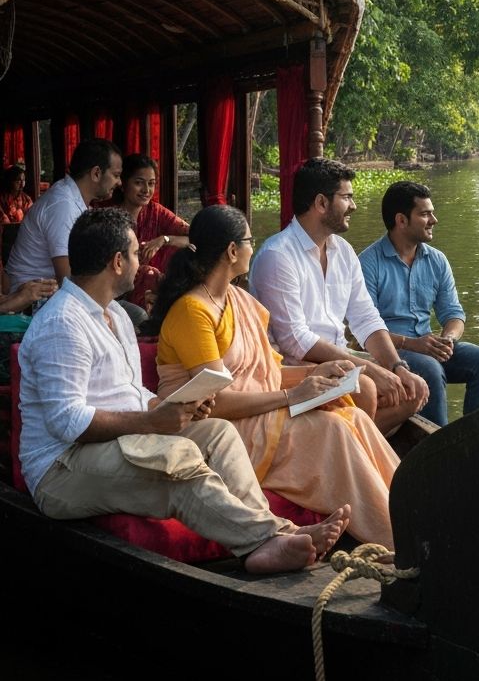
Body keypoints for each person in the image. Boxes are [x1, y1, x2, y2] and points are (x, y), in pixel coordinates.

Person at [17, 208, 350, 575]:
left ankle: (274, 534)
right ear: (117, 262)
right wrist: (153, 422)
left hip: (116, 441)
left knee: (218, 433)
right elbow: (68, 422)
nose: (140, 262)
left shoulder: (116, 316)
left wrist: (174, 407)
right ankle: (264, 540)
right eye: (135, 253)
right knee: (176, 458)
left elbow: (130, 393)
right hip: (62, 468)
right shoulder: (63, 323)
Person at [146, 204, 400, 548]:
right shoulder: (193, 311)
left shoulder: (238, 299)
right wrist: (293, 396)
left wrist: (315, 373)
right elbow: (215, 401)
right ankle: (394, 539)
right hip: (220, 428)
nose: (253, 248)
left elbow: (265, 372)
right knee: (332, 429)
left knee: (352, 416)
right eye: (250, 241)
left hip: (257, 414)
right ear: (232, 251)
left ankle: (410, 510)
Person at [248, 158, 429, 438]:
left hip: (338, 358)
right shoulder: (278, 256)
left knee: (413, 390)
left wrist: (397, 367)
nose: (353, 206)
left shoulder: (343, 251)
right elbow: (295, 340)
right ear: (321, 203)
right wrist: (369, 369)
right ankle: (351, 443)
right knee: (367, 387)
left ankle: (349, 439)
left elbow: (366, 318)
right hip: (295, 366)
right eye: (346, 197)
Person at [359, 180, 479, 426]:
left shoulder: (437, 260)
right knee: (430, 369)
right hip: (389, 351)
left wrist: (448, 339)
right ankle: (439, 443)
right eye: (425, 214)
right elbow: (362, 330)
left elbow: (453, 314)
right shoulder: (368, 263)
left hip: (427, 345)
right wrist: (412, 344)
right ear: (401, 220)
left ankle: (477, 440)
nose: (434, 220)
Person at [5, 138, 122, 290]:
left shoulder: (74, 199)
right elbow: (68, 281)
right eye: (116, 175)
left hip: (52, 292)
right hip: (30, 297)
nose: (119, 182)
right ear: (96, 174)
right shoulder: (63, 206)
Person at [113, 153, 189, 310]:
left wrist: (165, 239)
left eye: (151, 183)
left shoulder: (156, 212)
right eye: (138, 183)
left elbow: (196, 237)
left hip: (151, 290)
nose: (146, 190)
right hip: (114, 289)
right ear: (123, 183)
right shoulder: (108, 214)